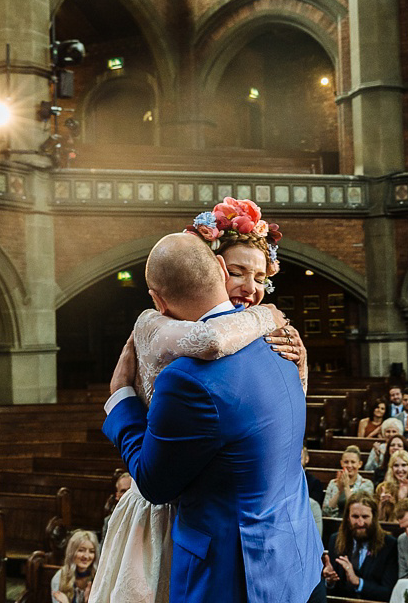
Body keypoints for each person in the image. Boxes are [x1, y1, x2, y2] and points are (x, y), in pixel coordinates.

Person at [100, 229, 322, 603]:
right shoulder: (282, 342)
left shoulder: (185, 378)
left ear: (157, 299)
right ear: (219, 268)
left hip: (235, 577)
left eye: (261, 278)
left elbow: (155, 485)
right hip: (298, 558)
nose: (251, 288)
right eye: (239, 272)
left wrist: (121, 400)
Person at [323, 493, 397, 601]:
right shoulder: (335, 540)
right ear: (348, 518)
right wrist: (329, 582)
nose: (360, 522)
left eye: (365, 517)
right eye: (355, 517)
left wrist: (358, 582)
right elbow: (331, 592)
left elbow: (389, 592)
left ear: (373, 518)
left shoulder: (389, 544)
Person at [324, 445, 376, 517]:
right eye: (346, 462)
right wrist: (339, 491)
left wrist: (346, 486)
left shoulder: (367, 484)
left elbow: (358, 510)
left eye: (353, 462)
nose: (349, 465)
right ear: (341, 463)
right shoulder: (333, 483)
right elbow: (326, 512)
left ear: (359, 464)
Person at [376, 450, 408, 521]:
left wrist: (402, 500)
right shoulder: (383, 488)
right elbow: (380, 522)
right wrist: (381, 506)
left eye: (404, 465)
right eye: (396, 465)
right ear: (391, 468)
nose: (400, 469)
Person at [52, 529, 98, 603]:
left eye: (91, 551)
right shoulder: (59, 577)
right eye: (81, 550)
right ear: (71, 552)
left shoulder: (97, 577)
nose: (86, 556)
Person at [101, 472, 132, 542]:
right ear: (117, 495)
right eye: (123, 491)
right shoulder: (109, 521)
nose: (127, 495)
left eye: (130, 490)